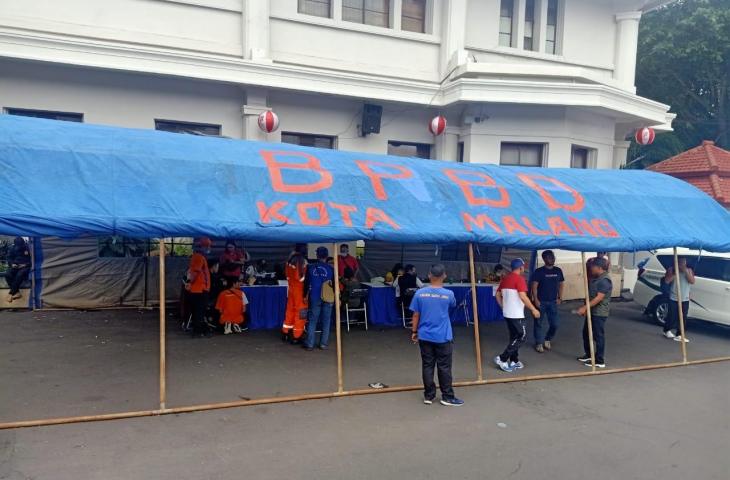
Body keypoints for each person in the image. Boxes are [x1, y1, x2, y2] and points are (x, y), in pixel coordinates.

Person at [410, 264, 463, 407]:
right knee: (444, 367)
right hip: (443, 336)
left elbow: (416, 315)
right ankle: (447, 396)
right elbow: (452, 305)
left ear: (429, 275)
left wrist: (414, 332)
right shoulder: (449, 294)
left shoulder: (420, 293)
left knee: (427, 365)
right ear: (444, 276)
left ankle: (429, 395)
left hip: (425, 335)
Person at [494, 258, 540, 373]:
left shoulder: (505, 279)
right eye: (523, 267)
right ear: (521, 268)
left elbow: (497, 295)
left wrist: (503, 306)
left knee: (514, 337)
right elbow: (523, 297)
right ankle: (502, 358)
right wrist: (534, 309)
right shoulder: (520, 279)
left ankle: (514, 360)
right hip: (516, 314)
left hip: (507, 313)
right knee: (522, 336)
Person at [576, 257, 612, 368]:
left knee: (598, 336)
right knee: (586, 333)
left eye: (593, 267)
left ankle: (599, 360)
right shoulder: (596, 278)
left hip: (599, 313)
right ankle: (589, 354)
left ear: (599, 268)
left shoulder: (605, 280)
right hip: (592, 311)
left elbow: (598, 298)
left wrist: (584, 308)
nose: (591, 269)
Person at [530, 250, 565, 353]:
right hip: (541, 302)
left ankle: (547, 339)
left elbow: (561, 284)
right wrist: (535, 299)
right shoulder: (539, 271)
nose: (552, 259)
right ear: (544, 259)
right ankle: (539, 343)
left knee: (555, 324)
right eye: (549, 257)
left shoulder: (558, 270)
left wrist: (560, 297)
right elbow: (534, 286)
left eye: (553, 257)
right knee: (538, 323)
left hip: (553, 302)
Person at [303, 246, 335, 351]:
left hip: (315, 296)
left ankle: (310, 344)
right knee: (326, 321)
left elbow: (306, 284)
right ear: (326, 256)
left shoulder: (310, 268)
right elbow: (335, 285)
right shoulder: (331, 269)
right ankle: (323, 344)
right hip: (328, 297)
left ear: (317, 255)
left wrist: (304, 295)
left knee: (312, 320)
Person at [662, 257, 694, 342]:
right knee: (672, 315)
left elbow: (692, 281)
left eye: (684, 262)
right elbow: (667, 281)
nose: (682, 264)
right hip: (674, 296)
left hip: (685, 298)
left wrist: (685, 271)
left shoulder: (689, 270)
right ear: (676, 262)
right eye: (680, 262)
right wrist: (675, 273)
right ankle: (666, 330)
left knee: (683, 317)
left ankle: (679, 334)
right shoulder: (671, 269)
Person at [186, 237, 212, 338]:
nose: (209, 248)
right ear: (203, 247)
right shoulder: (198, 257)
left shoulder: (198, 257)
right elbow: (195, 272)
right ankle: (198, 332)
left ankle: (199, 331)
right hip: (199, 290)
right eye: (208, 246)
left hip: (198, 289)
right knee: (199, 311)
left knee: (198, 311)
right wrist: (189, 282)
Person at [282, 250, 308, 344]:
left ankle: (286, 332)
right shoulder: (300, 261)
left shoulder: (289, 262)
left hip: (291, 289)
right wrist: (306, 273)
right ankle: (297, 335)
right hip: (299, 290)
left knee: (290, 311)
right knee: (301, 312)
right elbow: (300, 278)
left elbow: (287, 276)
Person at [5, 237, 31, 303]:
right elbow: (9, 258)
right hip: (15, 265)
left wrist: (25, 265)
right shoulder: (13, 248)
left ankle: (11, 293)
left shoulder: (28, 247)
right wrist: (12, 264)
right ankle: (16, 292)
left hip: (26, 266)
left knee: (20, 274)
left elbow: (33, 259)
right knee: (7, 274)